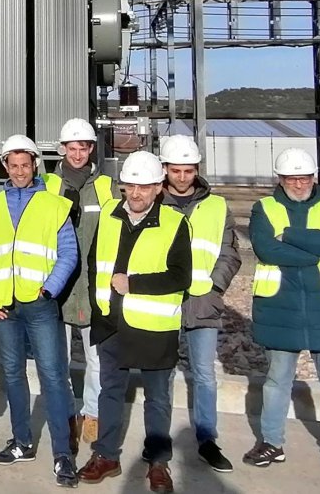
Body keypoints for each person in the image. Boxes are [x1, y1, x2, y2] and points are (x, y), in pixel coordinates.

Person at [243, 148, 320, 487]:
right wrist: (312, 256)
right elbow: (266, 249)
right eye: (291, 179)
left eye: (304, 177)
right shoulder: (264, 208)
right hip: (280, 306)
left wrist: (289, 236)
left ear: (314, 177)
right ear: (279, 180)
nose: (298, 184)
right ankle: (271, 442)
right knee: (277, 380)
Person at [77, 151, 191, 494]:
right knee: (110, 392)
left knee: (158, 398)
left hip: (154, 329)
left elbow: (181, 276)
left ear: (158, 187)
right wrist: (99, 312)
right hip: (112, 325)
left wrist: (134, 284)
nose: (136, 193)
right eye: (130, 186)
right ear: (123, 186)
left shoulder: (174, 223)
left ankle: (158, 462)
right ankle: (106, 455)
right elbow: (95, 266)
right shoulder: (109, 217)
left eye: (144, 186)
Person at [0, 135, 80, 487]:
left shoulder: (54, 205)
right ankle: (22, 442)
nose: (20, 171)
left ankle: (63, 454)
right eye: (13, 165)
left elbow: (69, 253)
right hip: (4, 307)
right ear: (5, 166)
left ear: (35, 164)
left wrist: (49, 288)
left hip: (39, 305)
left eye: (25, 165)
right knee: (14, 376)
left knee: (52, 377)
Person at [159, 135, 242, 473]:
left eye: (188, 170)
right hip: (162, 302)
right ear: (164, 170)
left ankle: (207, 439)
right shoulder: (153, 203)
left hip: (203, 302)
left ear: (197, 170)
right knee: (161, 373)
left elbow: (230, 252)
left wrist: (215, 286)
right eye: (176, 170)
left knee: (205, 374)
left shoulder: (217, 206)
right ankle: (158, 437)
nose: (182, 177)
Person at [44, 117, 116, 445]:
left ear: (91, 149)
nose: (77, 154)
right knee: (57, 359)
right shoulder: (48, 185)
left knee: (96, 359)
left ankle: (92, 415)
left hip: (93, 287)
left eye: (83, 147)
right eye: (71, 148)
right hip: (57, 286)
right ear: (62, 150)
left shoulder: (105, 186)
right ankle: (67, 414)